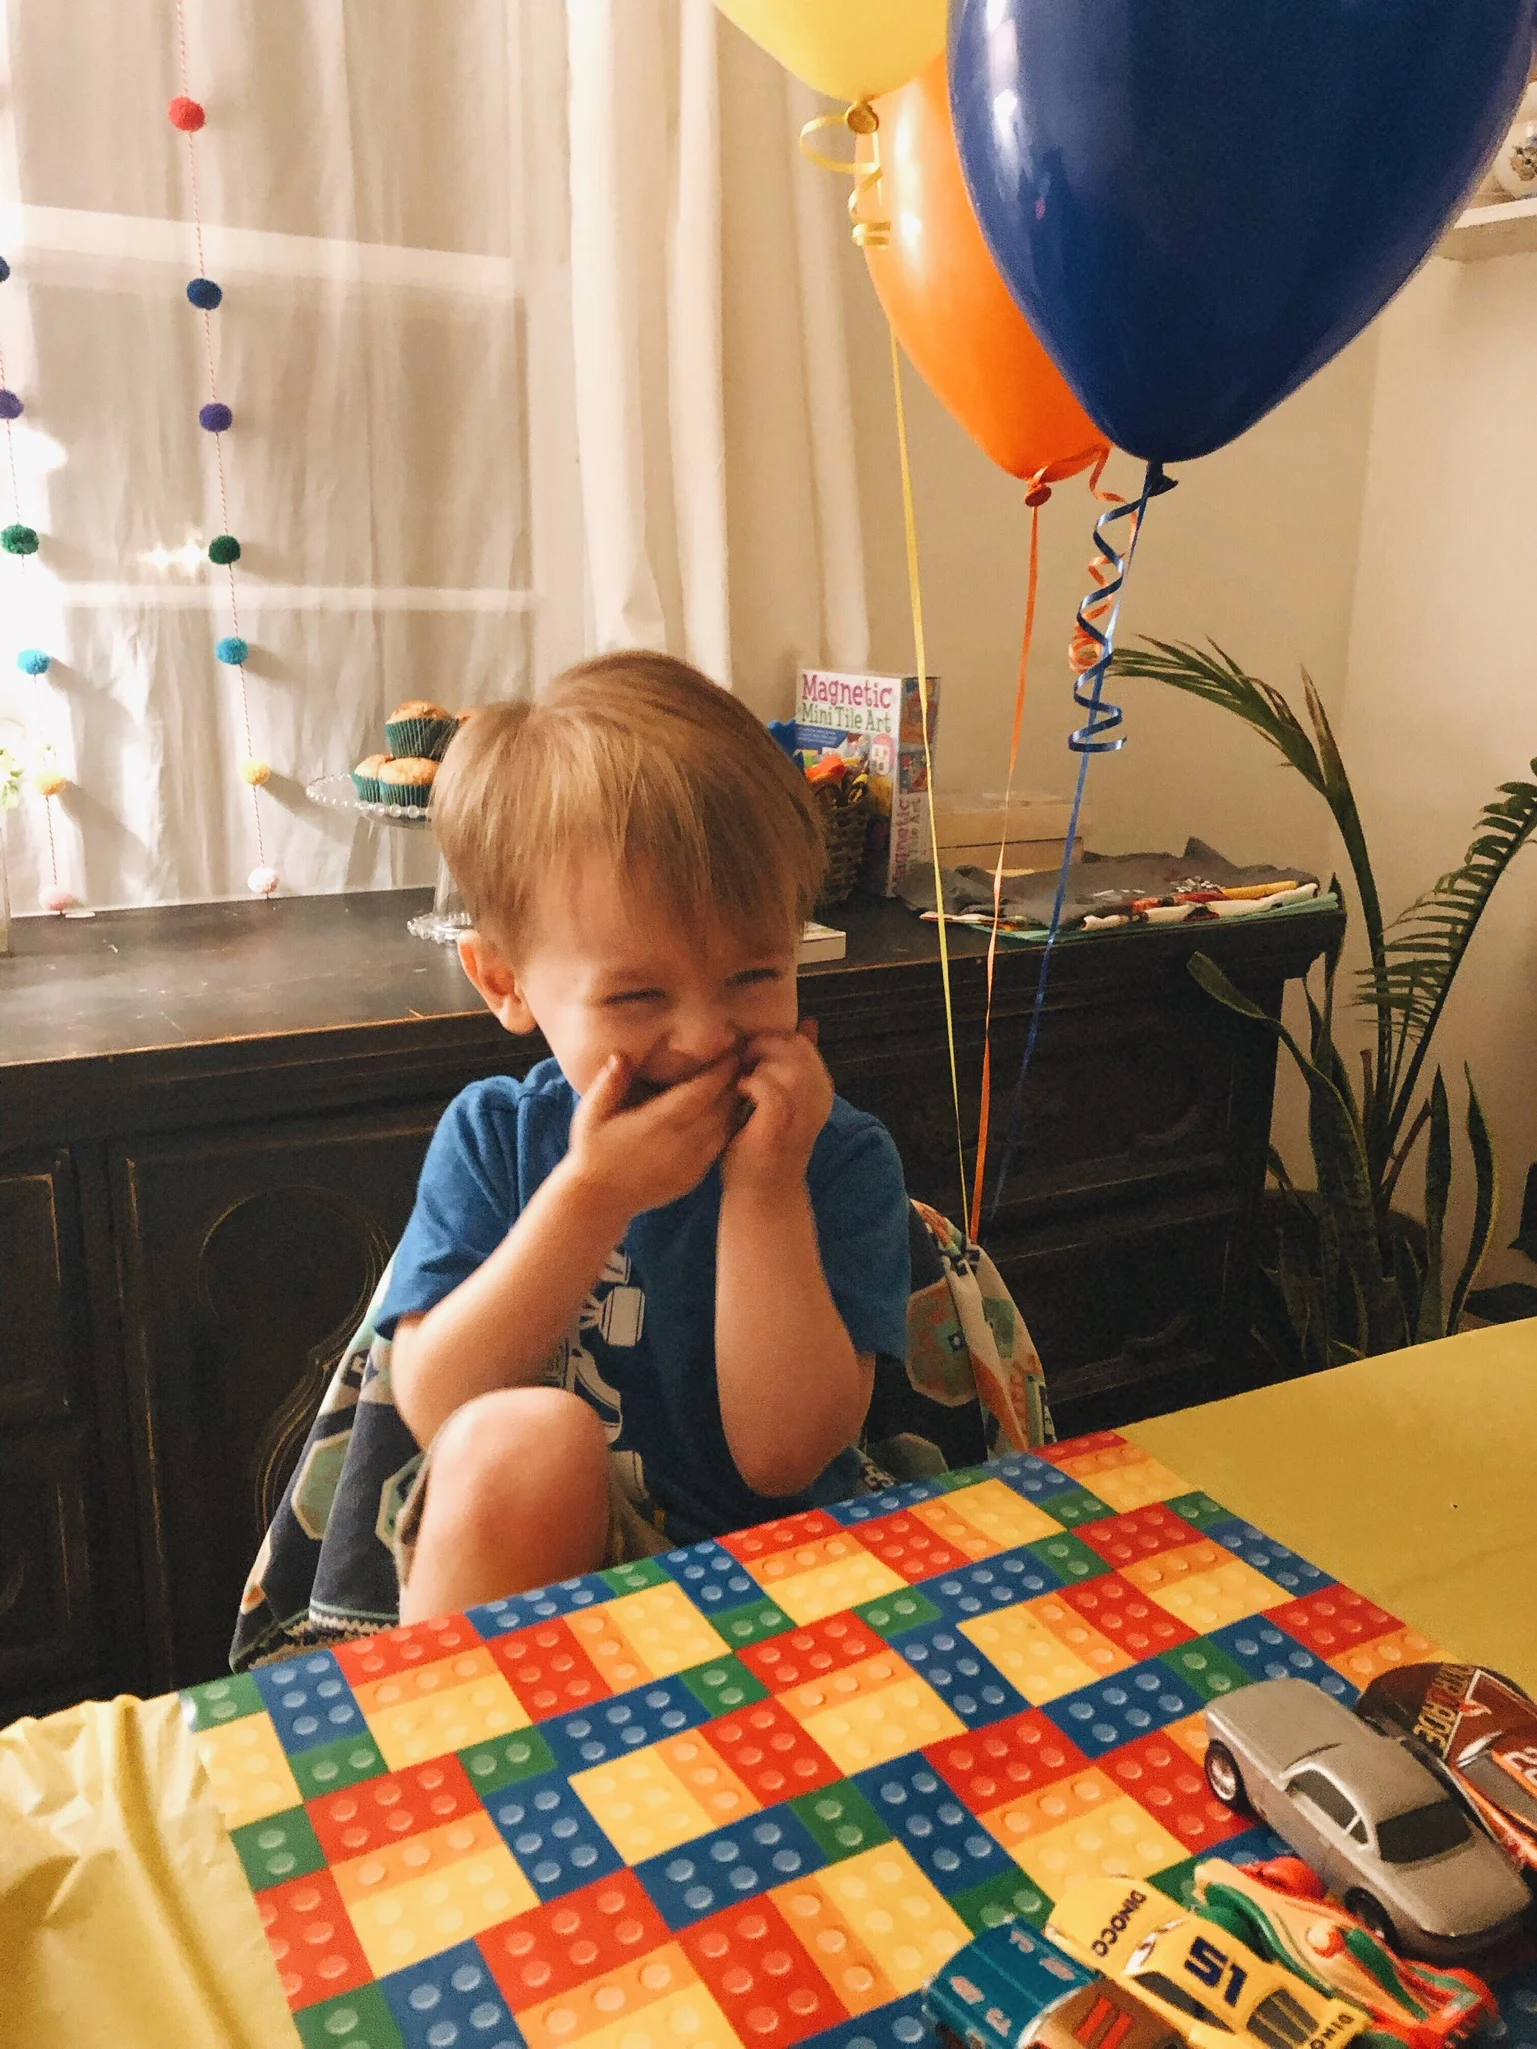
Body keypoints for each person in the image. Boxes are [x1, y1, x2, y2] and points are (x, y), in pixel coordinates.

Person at [379, 651, 912, 1622]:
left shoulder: (833, 1156)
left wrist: (765, 1192)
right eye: (635, 996)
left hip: (773, 1584)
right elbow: (436, 1409)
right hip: (534, 1590)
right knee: (523, 1438)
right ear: (504, 982)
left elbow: (785, 1457)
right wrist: (592, 1196)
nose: (705, 1036)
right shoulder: (497, 1140)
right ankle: (458, 1725)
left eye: (754, 976)